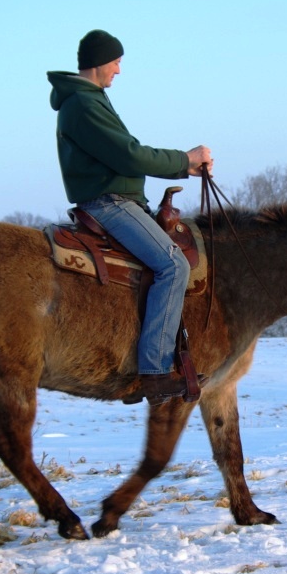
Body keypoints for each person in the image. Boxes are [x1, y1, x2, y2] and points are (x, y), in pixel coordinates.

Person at [47, 29, 212, 406]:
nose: (119, 70)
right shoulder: (83, 105)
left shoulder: (89, 100)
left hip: (119, 198)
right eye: (117, 62)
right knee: (173, 266)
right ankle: (154, 372)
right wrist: (184, 160)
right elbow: (130, 155)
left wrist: (181, 170)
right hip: (109, 203)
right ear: (101, 61)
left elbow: (126, 156)